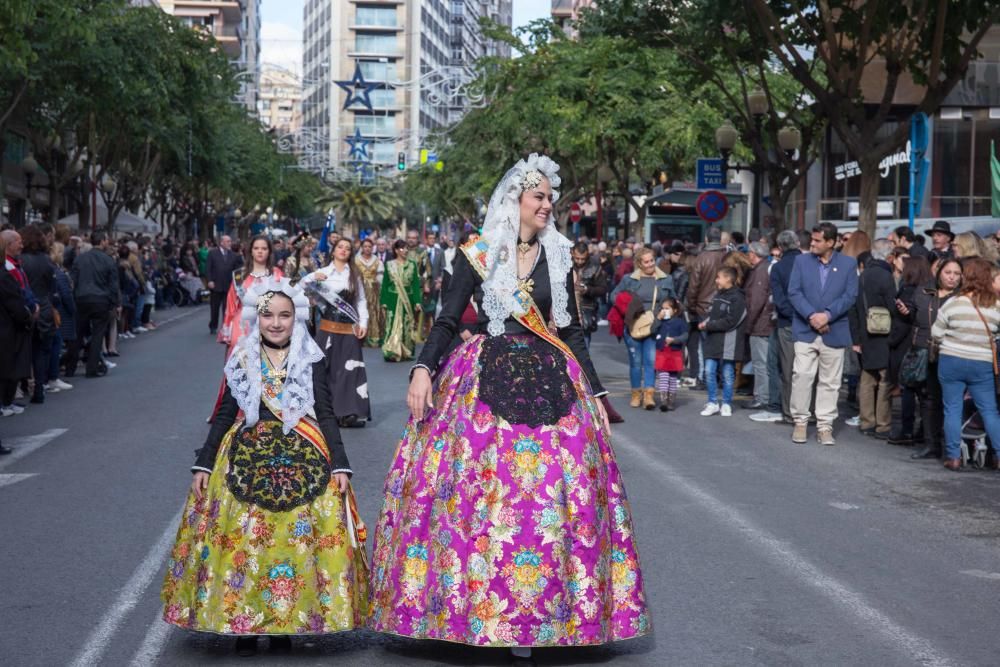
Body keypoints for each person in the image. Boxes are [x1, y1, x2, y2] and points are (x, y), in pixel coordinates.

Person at [368, 155, 650, 657]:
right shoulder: (477, 253)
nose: (548, 205)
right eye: (539, 197)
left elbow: (571, 333)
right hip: (484, 375)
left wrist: (599, 395)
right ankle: (473, 609)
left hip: (552, 378)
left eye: (549, 198)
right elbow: (448, 320)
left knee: (553, 497)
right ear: (515, 201)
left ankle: (543, 615)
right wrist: (422, 367)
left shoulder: (559, 253)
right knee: (475, 494)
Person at [160, 277, 367, 655]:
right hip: (247, 454)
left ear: (297, 317)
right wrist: (204, 465)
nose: (276, 322)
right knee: (244, 540)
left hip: (301, 451)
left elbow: (324, 410)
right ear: (258, 317)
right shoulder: (242, 355)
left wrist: (340, 463)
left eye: (284, 315)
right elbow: (224, 413)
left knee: (293, 542)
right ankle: (243, 622)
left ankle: (285, 624)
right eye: (268, 315)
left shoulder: (311, 356)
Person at [788, 223, 859, 446]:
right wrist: (812, 316)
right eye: (813, 239)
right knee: (802, 376)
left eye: (818, 240)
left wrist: (827, 316)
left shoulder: (848, 264)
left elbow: (850, 296)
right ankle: (800, 422)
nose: (813, 243)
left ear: (831, 242)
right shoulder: (801, 261)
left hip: (834, 329)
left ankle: (824, 426)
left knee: (831, 382)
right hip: (805, 328)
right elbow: (794, 291)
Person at [931, 258, 1000, 471]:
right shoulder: (996, 306)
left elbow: (936, 333)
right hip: (982, 363)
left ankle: (953, 457)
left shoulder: (954, 302)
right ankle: (999, 455)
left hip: (951, 360)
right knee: (989, 410)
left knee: (952, 408)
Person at [302, 238, 371, 428]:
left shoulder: (354, 275)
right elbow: (298, 288)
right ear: (333, 251)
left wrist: (363, 322)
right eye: (340, 247)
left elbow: (361, 301)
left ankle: (349, 412)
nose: (343, 250)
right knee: (326, 371)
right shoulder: (322, 273)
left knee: (349, 371)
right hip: (327, 329)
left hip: (349, 329)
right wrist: (310, 278)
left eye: (348, 248)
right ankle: (326, 412)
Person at [907, 259, 962, 459]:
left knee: (950, 400)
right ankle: (931, 443)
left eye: (957, 273)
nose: (952, 277)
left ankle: (951, 446)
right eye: (948, 272)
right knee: (928, 398)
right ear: (939, 273)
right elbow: (914, 318)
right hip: (925, 350)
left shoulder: (962, 297)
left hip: (952, 353)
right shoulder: (924, 292)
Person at [610, 246, 675, 409]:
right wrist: (627, 307)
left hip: (655, 325)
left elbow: (673, 300)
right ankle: (635, 394)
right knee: (635, 362)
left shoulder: (666, 279)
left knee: (651, 361)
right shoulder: (628, 280)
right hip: (633, 325)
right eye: (646, 262)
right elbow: (614, 296)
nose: (650, 264)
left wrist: (668, 311)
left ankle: (649, 396)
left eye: (652, 260)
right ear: (639, 264)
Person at [849, 238, 896, 440]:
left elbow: (853, 308)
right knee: (885, 379)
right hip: (884, 334)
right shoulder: (887, 277)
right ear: (890, 256)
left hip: (865, 334)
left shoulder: (862, 275)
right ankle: (882, 424)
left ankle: (866, 421)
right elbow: (893, 307)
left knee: (867, 379)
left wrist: (856, 337)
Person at [698, 267, 747, 417]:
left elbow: (731, 321)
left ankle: (726, 403)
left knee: (727, 373)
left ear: (728, 279)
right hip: (714, 339)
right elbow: (712, 314)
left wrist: (709, 325)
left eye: (719, 277)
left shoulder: (737, 298)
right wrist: (706, 322)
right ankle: (712, 402)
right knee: (709, 371)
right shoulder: (718, 295)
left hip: (729, 342)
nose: (716, 280)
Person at [70, 232, 120, 378]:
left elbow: (73, 280)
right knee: (97, 335)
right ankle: (91, 368)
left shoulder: (80, 259)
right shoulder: (108, 260)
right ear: (103, 241)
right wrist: (113, 302)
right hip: (101, 300)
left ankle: (70, 368)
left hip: (82, 299)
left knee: (77, 334)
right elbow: (113, 284)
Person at [18, 226, 57, 404]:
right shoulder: (47, 260)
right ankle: (39, 387)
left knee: (21, 349)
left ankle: (23, 385)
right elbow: (52, 287)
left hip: (25, 307)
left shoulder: (19, 261)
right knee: (41, 350)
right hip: (45, 306)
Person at [686, 227, 727, 387]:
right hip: (725, 305)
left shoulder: (701, 258)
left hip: (704, 307)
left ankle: (706, 378)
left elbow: (693, 286)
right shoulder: (727, 257)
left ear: (706, 239)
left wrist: (691, 306)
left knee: (705, 346)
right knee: (723, 345)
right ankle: (722, 378)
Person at [0, 233, 32, 423]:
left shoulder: (11, 268)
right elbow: (14, 299)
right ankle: (5, 402)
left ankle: (7, 401)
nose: (22, 245)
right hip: (7, 327)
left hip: (11, 323)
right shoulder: (5, 273)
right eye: (18, 242)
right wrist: (26, 313)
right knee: (8, 367)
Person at [743, 241, 775, 411]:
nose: (748, 255)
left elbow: (756, 301)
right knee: (765, 362)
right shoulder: (766, 268)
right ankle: (765, 396)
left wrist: (749, 324)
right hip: (765, 323)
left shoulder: (760, 272)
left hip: (760, 324)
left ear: (754, 254)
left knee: (760, 363)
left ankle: (762, 397)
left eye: (749, 253)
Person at [379, 239, 422, 362]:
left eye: (407, 248)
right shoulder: (389, 264)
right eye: (402, 248)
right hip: (393, 298)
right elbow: (385, 284)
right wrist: (384, 301)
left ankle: (406, 350)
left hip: (408, 299)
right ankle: (391, 350)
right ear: (396, 250)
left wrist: (417, 301)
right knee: (392, 324)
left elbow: (415, 285)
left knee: (407, 324)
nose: (405, 251)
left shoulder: (412, 264)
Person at [571, 241, 607, 348]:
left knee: (584, 347)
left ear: (587, 255)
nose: (580, 261)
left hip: (586, 310)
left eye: (582, 258)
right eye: (577, 258)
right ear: (572, 254)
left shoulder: (595, 267)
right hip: (568, 309)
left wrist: (587, 290)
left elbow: (603, 289)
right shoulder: (565, 264)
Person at [654, 296, 688, 411]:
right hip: (662, 351)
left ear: (674, 310)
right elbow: (652, 330)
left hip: (674, 352)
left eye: (667, 308)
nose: (665, 311)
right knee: (663, 376)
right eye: (663, 309)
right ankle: (663, 400)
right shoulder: (660, 321)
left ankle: (671, 401)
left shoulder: (680, 322)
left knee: (672, 378)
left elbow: (685, 335)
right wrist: (658, 319)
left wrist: (675, 340)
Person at [205, 235, 242, 335]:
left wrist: (238, 284)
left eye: (230, 241)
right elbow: (208, 268)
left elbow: (238, 270)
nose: (230, 243)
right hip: (216, 285)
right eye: (228, 241)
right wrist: (209, 280)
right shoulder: (212, 253)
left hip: (228, 285)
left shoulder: (234, 255)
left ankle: (226, 326)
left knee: (227, 308)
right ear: (221, 242)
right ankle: (213, 326)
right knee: (214, 308)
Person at [354, 237, 385, 347]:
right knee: (361, 311)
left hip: (374, 290)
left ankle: (374, 337)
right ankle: (361, 336)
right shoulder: (356, 260)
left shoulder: (377, 260)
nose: (367, 248)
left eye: (369, 247)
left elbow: (381, 276)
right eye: (365, 246)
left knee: (374, 312)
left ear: (372, 248)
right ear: (362, 248)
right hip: (360, 289)